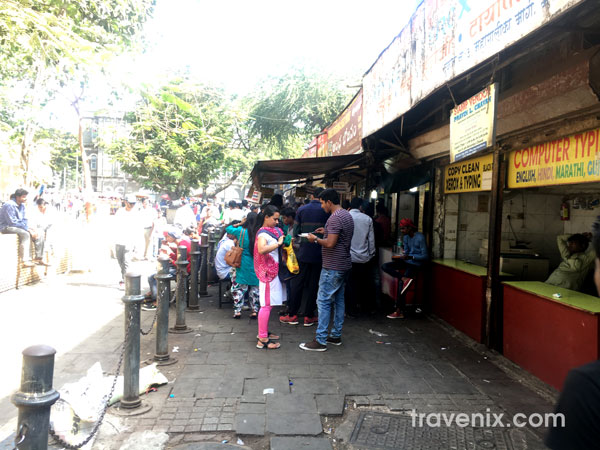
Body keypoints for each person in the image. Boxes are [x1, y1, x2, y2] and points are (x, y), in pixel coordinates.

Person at [545, 218, 600, 449]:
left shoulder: (588, 383)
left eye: (574, 244)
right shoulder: (567, 255)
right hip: (550, 286)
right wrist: (576, 237)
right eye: (570, 244)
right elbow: (560, 239)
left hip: (567, 291)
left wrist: (587, 239)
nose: (570, 246)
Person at [300, 188, 354, 351]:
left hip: (332, 266)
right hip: (344, 264)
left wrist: (315, 239)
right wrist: (326, 232)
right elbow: (339, 236)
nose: (322, 206)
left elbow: (330, 243)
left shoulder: (334, 218)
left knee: (323, 301)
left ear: (329, 202)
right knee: (338, 300)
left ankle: (321, 340)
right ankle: (335, 335)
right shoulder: (346, 215)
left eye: (322, 203)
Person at [281, 187, 329, 326]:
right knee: (314, 284)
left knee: (298, 283)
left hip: (304, 252)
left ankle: (293, 314)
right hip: (320, 252)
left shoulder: (301, 210)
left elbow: (295, 232)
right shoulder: (326, 210)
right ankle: (309, 315)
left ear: (312, 195)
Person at [382, 218, 429, 319]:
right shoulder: (406, 237)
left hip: (416, 264)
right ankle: (404, 278)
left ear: (409, 228)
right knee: (385, 266)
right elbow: (406, 252)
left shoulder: (420, 237)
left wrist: (411, 257)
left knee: (401, 286)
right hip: (407, 262)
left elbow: (425, 256)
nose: (402, 231)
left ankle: (399, 311)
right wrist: (401, 255)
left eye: (403, 229)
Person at [254, 205, 285, 350]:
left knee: (269, 304)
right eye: (275, 219)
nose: (277, 222)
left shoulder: (271, 231)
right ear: (266, 217)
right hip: (267, 273)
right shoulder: (263, 234)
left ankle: (264, 331)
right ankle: (262, 339)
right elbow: (261, 249)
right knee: (266, 305)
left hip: (272, 271)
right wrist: (278, 244)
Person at [226, 213, 260, 319]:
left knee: (239, 288)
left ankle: (237, 311)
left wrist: (240, 223)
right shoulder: (259, 232)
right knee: (255, 289)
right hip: (256, 263)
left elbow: (228, 228)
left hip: (242, 263)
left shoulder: (240, 230)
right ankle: (255, 310)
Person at [346, 197, 376, 316]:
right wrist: (371, 254)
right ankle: (364, 308)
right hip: (364, 258)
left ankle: (350, 310)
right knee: (364, 284)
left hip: (348, 258)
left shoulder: (345, 217)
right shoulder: (367, 219)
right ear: (361, 207)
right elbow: (371, 240)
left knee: (350, 285)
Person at [0, 188, 38, 267]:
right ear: (17, 197)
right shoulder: (9, 205)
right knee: (25, 234)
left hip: (17, 226)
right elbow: (12, 222)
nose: (25, 198)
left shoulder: (22, 205)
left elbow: (24, 219)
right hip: (6, 227)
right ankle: (25, 260)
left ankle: (37, 258)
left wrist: (29, 228)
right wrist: (26, 229)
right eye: (23, 197)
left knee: (36, 232)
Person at [113, 194, 141, 286]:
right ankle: (124, 276)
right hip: (119, 240)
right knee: (120, 259)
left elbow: (138, 229)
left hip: (129, 241)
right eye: (130, 203)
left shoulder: (136, 213)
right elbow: (114, 225)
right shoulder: (120, 212)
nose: (132, 205)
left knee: (126, 261)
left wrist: (137, 245)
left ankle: (124, 280)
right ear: (125, 202)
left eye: (133, 203)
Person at [29, 198, 54, 265]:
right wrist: (33, 230)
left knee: (49, 238)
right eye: (39, 207)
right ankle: (39, 258)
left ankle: (45, 257)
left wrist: (46, 230)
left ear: (45, 205)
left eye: (41, 207)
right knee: (39, 235)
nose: (40, 208)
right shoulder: (34, 211)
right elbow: (32, 223)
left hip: (48, 228)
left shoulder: (50, 211)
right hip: (37, 229)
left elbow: (51, 223)